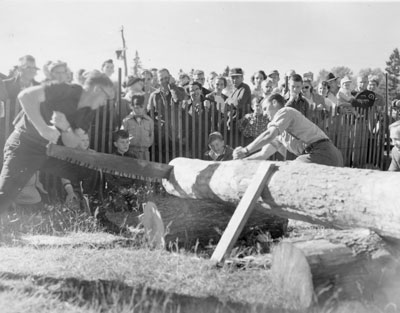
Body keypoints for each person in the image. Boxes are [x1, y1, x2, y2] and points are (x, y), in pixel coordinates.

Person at [0, 70, 118, 229]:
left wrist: (66, 128)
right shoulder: (65, 90)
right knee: (5, 194)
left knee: (90, 171)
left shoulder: (89, 111)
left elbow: (72, 143)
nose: (105, 103)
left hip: (52, 151)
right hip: (25, 145)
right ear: (97, 90)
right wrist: (43, 128)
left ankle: (101, 221)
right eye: (106, 97)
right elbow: (25, 96)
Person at [233, 93, 343, 167]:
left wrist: (245, 150)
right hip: (325, 154)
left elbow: (269, 135)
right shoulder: (279, 131)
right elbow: (263, 154)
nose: (265, 114)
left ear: (274, 103)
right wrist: (242, 162)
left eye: (266, 109)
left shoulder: (285, 111)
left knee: (287, 170)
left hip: (322, 152)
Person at [0, 55, 40, 163]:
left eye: (34, 68)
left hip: (32, 137)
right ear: (19, 69)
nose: (32, 71)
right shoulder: (5, 85)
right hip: (7, 135)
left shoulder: (40, 87)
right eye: (28, 67)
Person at [121, 94, 154, 161]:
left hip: (145, 153)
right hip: (130, 152)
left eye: (141, 107)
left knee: (145, 170)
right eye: (136, 107)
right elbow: (121, 137)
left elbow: (151, 135)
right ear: (132, 106)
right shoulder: (126, 121)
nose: (139, 110)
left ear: (144, 106)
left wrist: (146, 145)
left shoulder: (149, 121)